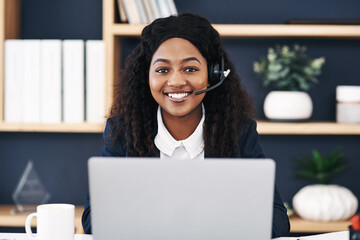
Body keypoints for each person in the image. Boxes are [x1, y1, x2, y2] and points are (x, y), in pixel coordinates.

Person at [82, 13, 290, 237]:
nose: (176, 82)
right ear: (147, 77)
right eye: (162, 70)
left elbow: (277, 222)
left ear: (213, 75)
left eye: (190, 69)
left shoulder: (238, 130)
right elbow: (94, 220)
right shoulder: (123, 130)